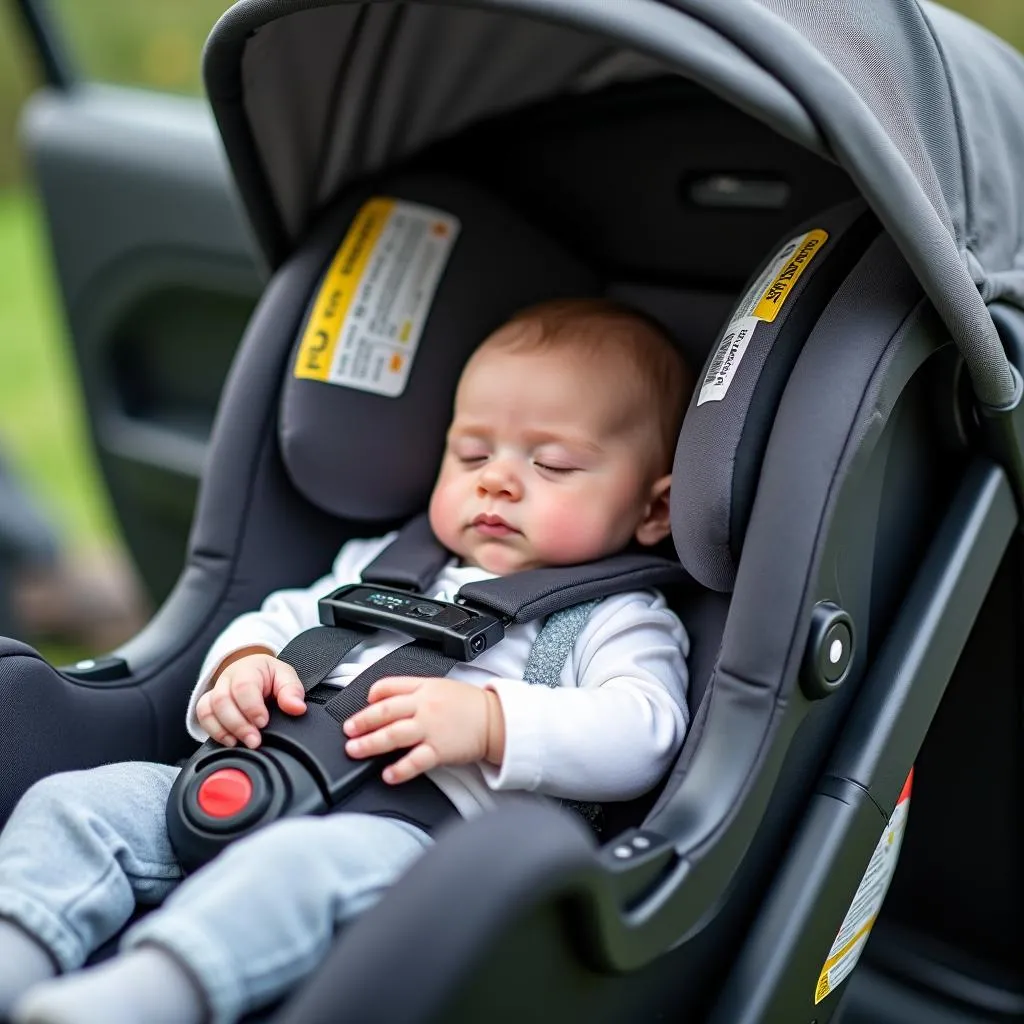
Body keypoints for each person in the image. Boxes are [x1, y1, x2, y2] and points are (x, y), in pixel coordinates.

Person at [0, 297, 694, 1024]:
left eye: (551, 464)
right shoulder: (387, 563)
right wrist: (243, 667)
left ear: (653, 511)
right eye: (472, 454)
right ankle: (19, 944)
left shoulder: (617, 618)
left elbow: (645, 730)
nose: (497, 481)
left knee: (290, 876)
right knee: (78, 804)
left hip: (408, 838)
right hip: (248, 774)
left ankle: (144, 997)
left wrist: (492, 722)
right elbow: (284, 617)